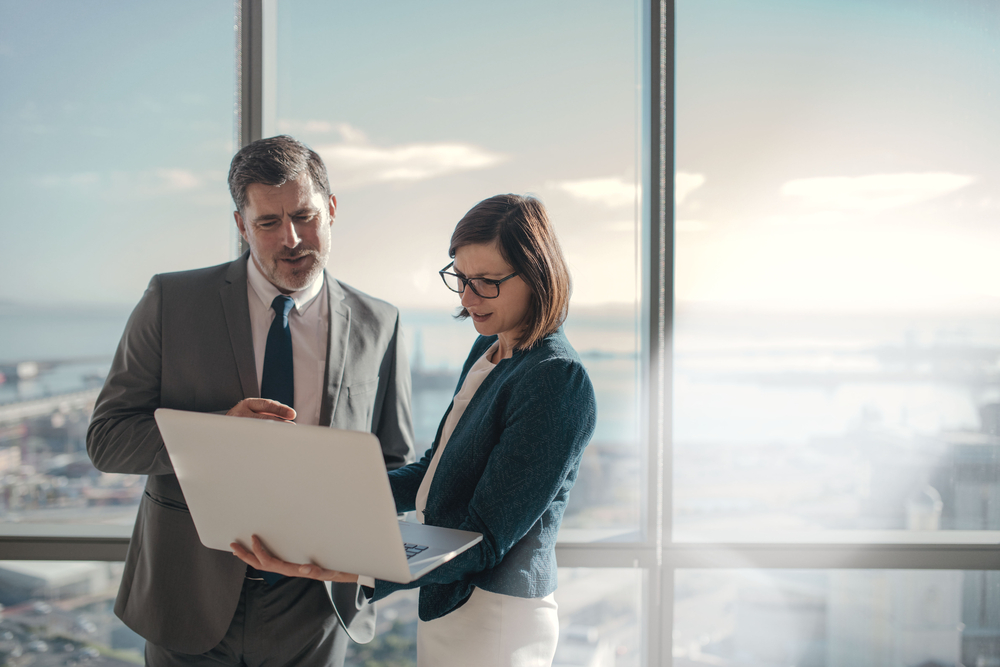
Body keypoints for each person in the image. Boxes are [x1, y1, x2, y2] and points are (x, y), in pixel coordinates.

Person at [87, 135, 415, 666]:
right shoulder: (171, 302)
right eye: (268, 223)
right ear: (241, 225)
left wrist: (368, 563)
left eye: (305, 216)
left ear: (331, 210)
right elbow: (107, 440)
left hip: (315, 607)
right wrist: (219, 436)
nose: (291, 239)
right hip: (188, 595)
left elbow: (393, 464)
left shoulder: (381, 322)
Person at [234, 194, 598, 667]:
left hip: (497, 616)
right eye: (461, 280)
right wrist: (321, 496)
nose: (467, 301)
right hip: (451, 602)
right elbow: (433, 473)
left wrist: (352, 562)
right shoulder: (490, 350)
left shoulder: (556, 378)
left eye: (486, 283)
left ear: (538, 275)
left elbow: (485, 538)